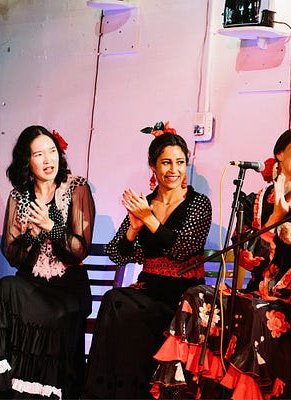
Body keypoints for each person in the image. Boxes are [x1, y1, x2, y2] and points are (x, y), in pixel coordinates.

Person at [151, 127, 291, 399]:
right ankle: (189, 392)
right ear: (280, 153)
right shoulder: (254, 202)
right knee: (196, 295)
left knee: (259, 313)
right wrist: (274, 218)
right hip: (257, 295)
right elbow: (246, 259)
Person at [83, 122, 212, 399]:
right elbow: (116, 253)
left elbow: (183, 249)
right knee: (115, 301)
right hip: (149, 289)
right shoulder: (145, 202)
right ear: (153, 166)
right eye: (166, 162)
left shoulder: (198, 203)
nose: (174, 169)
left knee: (127, 309)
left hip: (183, 296)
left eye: (180, 162)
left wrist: (150, 220)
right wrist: (133, 229)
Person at [0, 125, 95, 399]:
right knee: (6, 285)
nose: (48, 160)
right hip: (31, 284)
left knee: (42, 308)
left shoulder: (76, 188)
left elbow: (80, 250)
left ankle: (37, 392)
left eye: (52, 151)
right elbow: (12, 255)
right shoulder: (19, 196)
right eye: (39, 154)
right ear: (27, 161)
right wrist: (31, 236)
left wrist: (51, 227)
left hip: (67, 289)